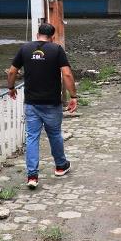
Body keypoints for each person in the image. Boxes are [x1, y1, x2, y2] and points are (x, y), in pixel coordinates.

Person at [7, 23, 77, 189]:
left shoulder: (25, 49)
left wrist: (11, 87)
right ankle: (60, 166)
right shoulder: (57, 50)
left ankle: (32, 176)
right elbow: (66, 73)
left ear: (37, 34)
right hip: (52, 103)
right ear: (52, 36)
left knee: (32, 137)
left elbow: (11, 71)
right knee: (55, 135)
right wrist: (73, 96)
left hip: (31, 103)